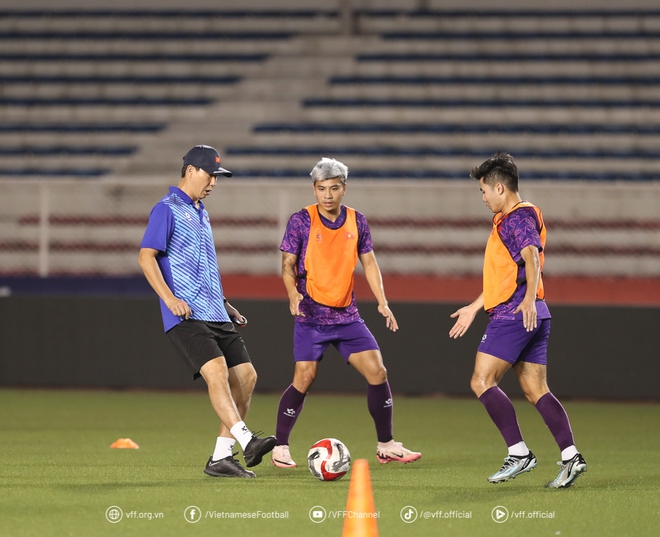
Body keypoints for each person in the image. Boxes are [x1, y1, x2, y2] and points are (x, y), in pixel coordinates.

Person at [271, 157, 421, 468]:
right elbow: (287, 264)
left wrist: (382, 301)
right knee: (304, 377)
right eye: (322, 188)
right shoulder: (301, 220)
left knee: (378, 371)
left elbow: (369, 262)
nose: (327, 195)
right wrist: (292, 292)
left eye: (334, 188)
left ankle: (387, 445)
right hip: (311, 314)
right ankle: (280, 447)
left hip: (347, 316)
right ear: (314, 189)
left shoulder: (357, 221)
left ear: (344, 189)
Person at [449, 152, 587, 488]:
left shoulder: (516, 218)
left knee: (481, 381)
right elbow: (508, 274)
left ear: (499, 188)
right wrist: (474, 306)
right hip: (534, 311)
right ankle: (571, 457)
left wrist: (524, 300)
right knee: (535, 388)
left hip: (516, 312)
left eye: (483, 191)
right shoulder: (517, 217)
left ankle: (519, 453)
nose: (482, 198)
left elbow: (531, 255)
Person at [138, 144, 276, 479]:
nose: (214, 181)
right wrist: (170, 299)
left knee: (247, 377)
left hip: (215, 311)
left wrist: (224, 303)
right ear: (190, 171)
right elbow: (146, 257)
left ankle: (220, 458)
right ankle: (247, 441)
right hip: (185, 315)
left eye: (217, 176)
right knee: (217, 373)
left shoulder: (202, 211)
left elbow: (204, 266)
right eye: (210, 174)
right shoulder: (166, 208)